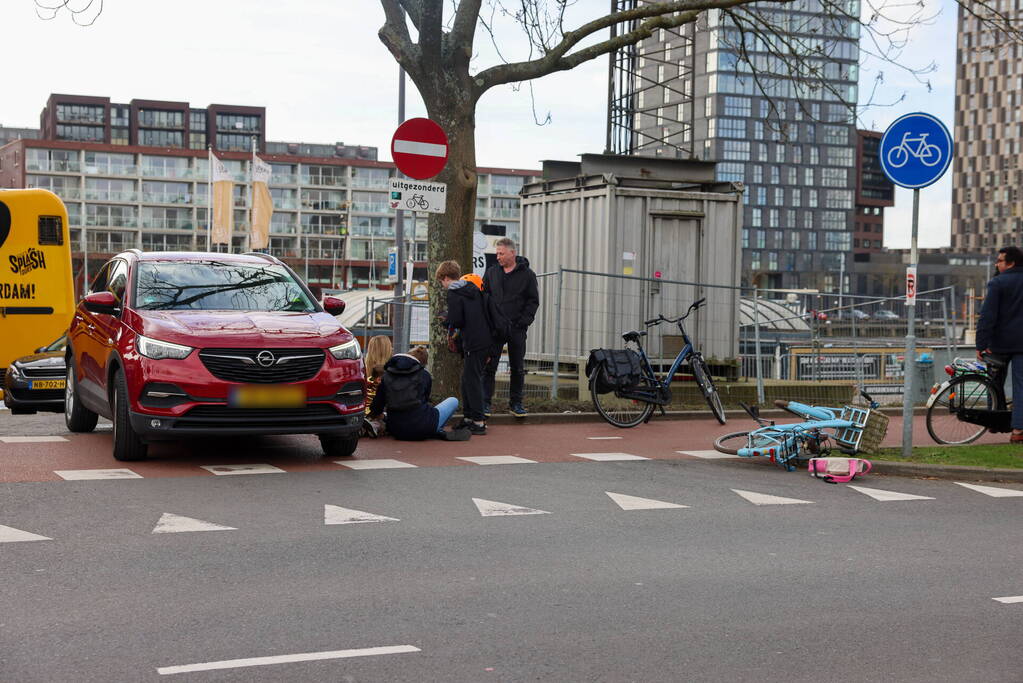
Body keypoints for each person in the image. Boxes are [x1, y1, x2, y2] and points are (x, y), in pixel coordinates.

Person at [483, 237, 539, 418]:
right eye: (497, 253)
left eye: (501, 253)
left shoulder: (528, 275)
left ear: (512, 253)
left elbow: (533, 301)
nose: (498, 257)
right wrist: (489, 321)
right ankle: (485, 404)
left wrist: (523, 322)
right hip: (495, 329)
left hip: (517, 329)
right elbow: (485, 297)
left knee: (517, 368)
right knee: (489, 367)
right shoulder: (492, 273)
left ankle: (516, 404)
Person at [975, 245, 1023, 444]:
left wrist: (981, 344)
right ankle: (1018, 430)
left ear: (1010, 263)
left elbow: (987, 316)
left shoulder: (998, 283)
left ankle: (995, 421)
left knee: (994, 383)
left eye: (1000, 260)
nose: (996, 264)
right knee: (1021, 387)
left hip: (999, 345)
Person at [437, 260, 490, 435]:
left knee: (471, 381)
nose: (442, 285)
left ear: (445, 278)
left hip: (473, 342)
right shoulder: (472, 288)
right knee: (468, 379)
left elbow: (458, 320)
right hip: (482, 340)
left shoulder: (454, 292)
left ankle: (478, 421)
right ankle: (469, 417)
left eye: (441, 281)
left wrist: (446, 319)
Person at [367, 346, 461, 440]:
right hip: (422, 426)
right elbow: (425, 399)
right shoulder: (424, 375)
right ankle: (434, 429)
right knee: (453, 401)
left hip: (396, 430)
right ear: (422, 363)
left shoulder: (387, 375)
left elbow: (376, 407)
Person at [362, 335, 392, 438]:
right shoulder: (390, 373)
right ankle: (375, 425)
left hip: (364, 411)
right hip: (381, 412)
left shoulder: (363, 371)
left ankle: (365, 425)